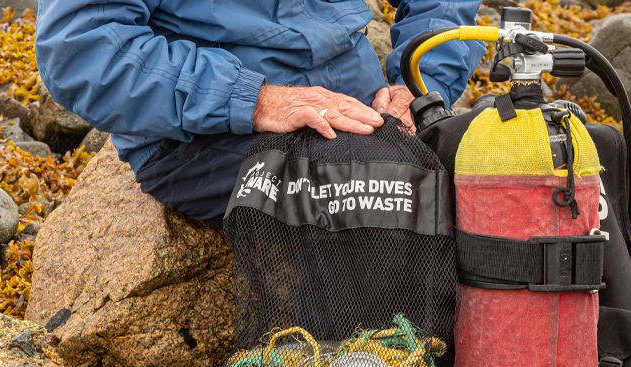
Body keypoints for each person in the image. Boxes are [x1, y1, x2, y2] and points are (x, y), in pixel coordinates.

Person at [35, 0, 485, 227]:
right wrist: (259, 99)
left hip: (361, 104)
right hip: (201, 134)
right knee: (392, 203)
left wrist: (420, 84)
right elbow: (83, 52)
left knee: (515, 170)